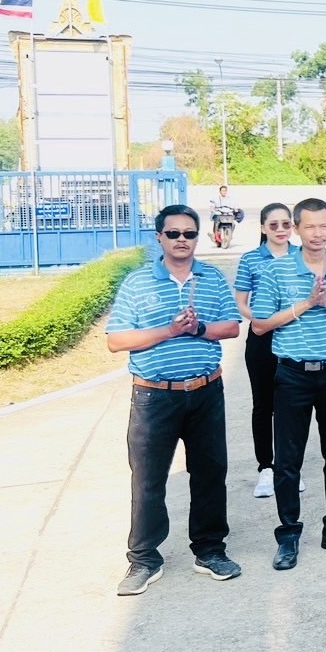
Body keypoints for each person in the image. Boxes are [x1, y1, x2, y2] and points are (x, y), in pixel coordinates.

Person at [106, 204, 242, 595]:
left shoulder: (212, 279)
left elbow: (231, 327)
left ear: (199, 237)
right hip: (154, 396)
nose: (182, 240)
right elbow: (117, 340)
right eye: (174, 234)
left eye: (189, 234)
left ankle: (210, 549)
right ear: (159, 238)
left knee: (210, 473)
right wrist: (168, 330)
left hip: (205, 391)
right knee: (148, 480)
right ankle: (144, 559)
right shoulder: (138, 283)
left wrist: (197, 328)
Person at [249, 198, 326, 570]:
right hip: (292, 376)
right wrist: (305, 303)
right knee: (288, 461)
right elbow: (259, 325)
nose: (317, 233)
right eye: (310, 227)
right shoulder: (277, 271)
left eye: (324, 226)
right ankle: (289, 534)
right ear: (296, 230)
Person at [232, 202, 295, 500]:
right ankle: (266, 467)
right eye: (274, 225)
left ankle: (287, 466)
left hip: (296, 339)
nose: (281, 230)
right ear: (262, 228)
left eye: (286, 224)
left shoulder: (302, 255)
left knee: (291, 405)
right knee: (263, 404)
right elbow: (241, 301)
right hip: (261, 339)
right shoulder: (251, 259)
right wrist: (259, 319)